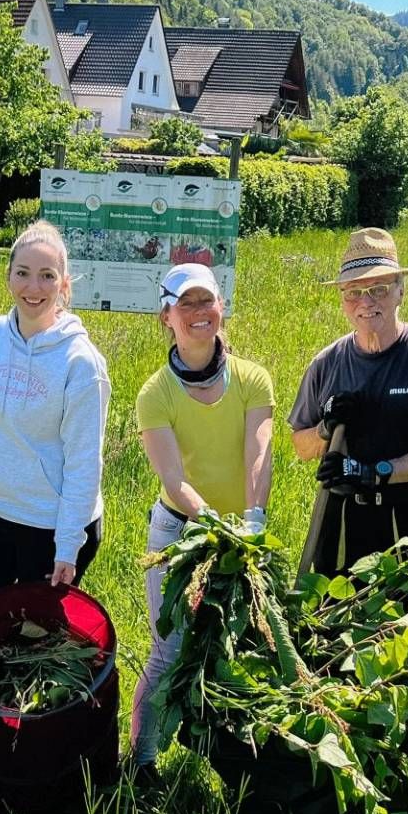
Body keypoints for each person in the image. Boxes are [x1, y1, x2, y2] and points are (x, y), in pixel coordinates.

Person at [130, 262, 274, 773]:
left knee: (243, 650)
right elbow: (174, 481)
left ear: (221, 307)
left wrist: (252, 518)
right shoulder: (156, 394)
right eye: (185, 304)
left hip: (242, 537)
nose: (198, 313)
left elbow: (258, 453)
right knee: (168, 651)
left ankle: (237, 769)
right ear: (166, 314)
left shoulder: (253, 379)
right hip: (179, 533)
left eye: (206, 301)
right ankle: (141, 764)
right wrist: (215, 524)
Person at [0, 220, 109, 629]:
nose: (33, 287)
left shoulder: (82, 364)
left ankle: (10, 698)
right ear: (8, 277)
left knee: (31, 636)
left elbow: (84, 463)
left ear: (64, 285)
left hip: (50, 523)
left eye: (47, 276)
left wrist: (68, 546)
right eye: (23, 273)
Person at [288, 228, 408, 574]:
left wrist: (377, 473)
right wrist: (325, 427)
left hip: (407, 518)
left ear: (400, 290)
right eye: (354, 292)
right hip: (340, 517)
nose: (366, 301)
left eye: (379, 288)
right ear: (342, 299)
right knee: (334, 621)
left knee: (407, 622)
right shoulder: (326, 364)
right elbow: (301, 447)